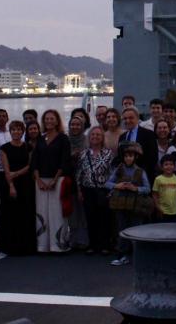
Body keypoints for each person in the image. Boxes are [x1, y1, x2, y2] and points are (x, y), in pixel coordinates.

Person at [32, 109, 71, 253]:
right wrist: (38, 180)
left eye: (51, 119)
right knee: (41, 212)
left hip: (57, 180)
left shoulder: (63, 138)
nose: (49, 121)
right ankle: (43, 245)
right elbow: (35, 161)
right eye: (46, 119)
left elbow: (64, 161)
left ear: (57, 121)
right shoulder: (41, 138)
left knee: (57, 213)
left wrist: (55, 180)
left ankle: (58, 245)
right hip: (41, 180)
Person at [107, 143, 151, 266]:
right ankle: (122, 255)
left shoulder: (140, 171)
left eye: (131, 156)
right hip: (120, 204)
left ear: (135, 157)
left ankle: (139, 256)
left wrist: (135, 188)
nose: (128, 158)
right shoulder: (119, 169)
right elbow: (107, 183)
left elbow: (147, 188)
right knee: (122, 230)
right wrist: (117, 185)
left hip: (136, 204)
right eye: (126, 156)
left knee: (136, 230)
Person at [0, 120, 36, 256]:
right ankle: (11, 246)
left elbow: (30, 166)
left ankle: (26, 246)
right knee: (10, 216)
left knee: (25, 215)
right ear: (10, 131)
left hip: (26, 184)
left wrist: (17, 173)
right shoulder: (4, 148)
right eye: (13, 129)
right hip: (10, 184)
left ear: (23, 131)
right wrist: (11, 185)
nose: (16, 132)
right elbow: (6, 169)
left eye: (19, 129)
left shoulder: (29, 147)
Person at [76, 126, 114, 254]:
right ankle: (92, 245)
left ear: (102, 137)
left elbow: (112, 173)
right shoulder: (83, 153)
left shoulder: (109, 153)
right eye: (93, 135)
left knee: (104, 218)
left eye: (98, 135)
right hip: (87, 190)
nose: (95, 137)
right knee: (90, 218)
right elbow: (79, 173)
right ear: (89, 137)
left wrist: (111, 190)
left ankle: (105, 245)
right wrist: (79, 190)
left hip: (104, 190)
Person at [118, 107, 159, 184]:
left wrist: (140, 175)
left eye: (131, 118)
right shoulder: (122, 137)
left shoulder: (148, 134)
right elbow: (120, 158)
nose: (127, 121)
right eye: (125, 118)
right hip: (125, 180)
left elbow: (153, 159)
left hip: (143, 180)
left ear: (137, 118)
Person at [67, 115, 89, 250]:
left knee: (84, 211)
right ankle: (73, 239)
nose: (75, 127)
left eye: (78, 125)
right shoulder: (65, 140)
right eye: (72, 125)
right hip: (69, 179)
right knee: (72, 211)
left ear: (82, 127)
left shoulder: (87, 140)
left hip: (84, 179)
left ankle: (85, 240)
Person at [152, 156, 176, 222]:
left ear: (174, 166)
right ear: (161, 167)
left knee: (172, 229)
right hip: (162, 211)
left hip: (174, 211)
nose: (169, 166)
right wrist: (157, 207)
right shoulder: (158, 179)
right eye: (166, 164)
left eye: (171, 164)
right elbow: (154, 194)